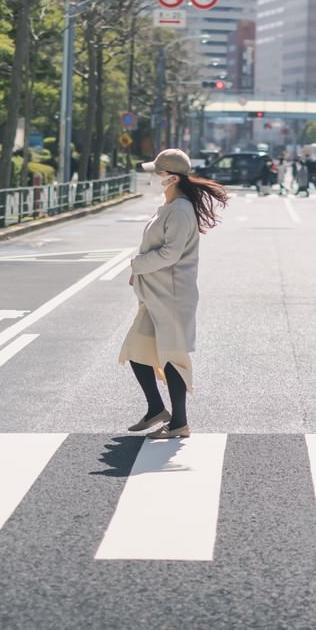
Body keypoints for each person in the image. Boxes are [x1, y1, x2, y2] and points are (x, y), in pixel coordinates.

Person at [120, 148, 227, 439]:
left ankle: (179, 422)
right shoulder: (170, 205)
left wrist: (136, 264)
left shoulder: (180, 209)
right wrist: (140, 270)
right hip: (158, 292)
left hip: (172, 295)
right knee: (136, 350)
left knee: (172, 355)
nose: (155, 177)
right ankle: (156, 409)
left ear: (172, 177)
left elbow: (170, 253)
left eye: (159, 172)